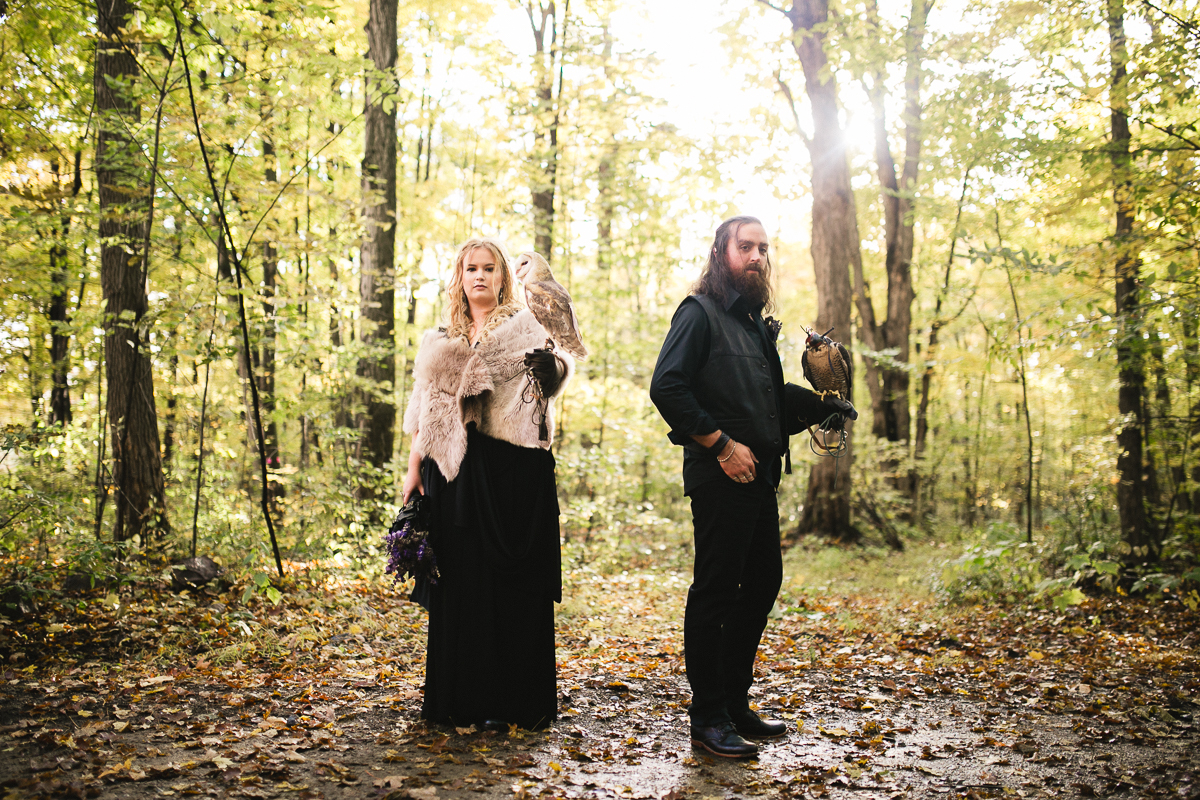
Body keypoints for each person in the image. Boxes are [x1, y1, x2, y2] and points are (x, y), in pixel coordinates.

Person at [649, 216, 856, 758]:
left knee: (762, 583)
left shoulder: (752, 324)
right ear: (722, 253)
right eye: (746, 247)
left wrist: (823, 405)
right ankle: (708, 717)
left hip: (760, 477)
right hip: (720, 477)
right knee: (716, 592)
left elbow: (769, 405)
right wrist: (719, 444)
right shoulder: (699, 314)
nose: (758, 256)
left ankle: (735, 702)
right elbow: (666, 386)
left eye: (764, 247)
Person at [401, 237, 573, 731]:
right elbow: (425, 407)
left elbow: (560, 364)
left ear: (502, 278)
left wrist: (553, 369)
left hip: (513, 472)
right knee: (461, 586)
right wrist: (414, 469)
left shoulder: (528, 326)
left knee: (513, 586)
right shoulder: (438, 339)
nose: (479, 276)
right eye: (470, 268)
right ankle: (461, 701)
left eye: (489, 268)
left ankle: (515, 705)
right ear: (459, 277)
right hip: (452, 473)